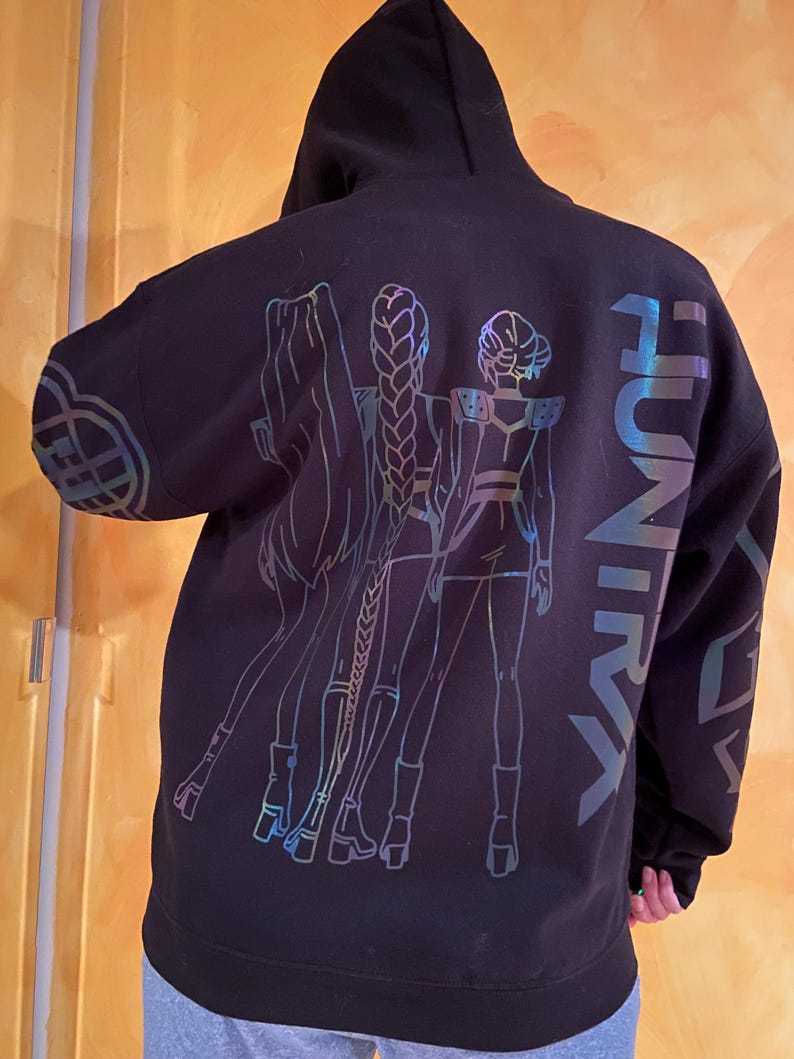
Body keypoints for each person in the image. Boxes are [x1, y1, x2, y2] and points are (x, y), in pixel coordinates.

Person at [30, 0, 782, 1056]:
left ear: (336, 148)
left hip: (251, 928)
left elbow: (77, 435)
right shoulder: (671, 299)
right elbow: (717, 587)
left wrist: (270, 288)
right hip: (528, 948)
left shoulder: (300, 270)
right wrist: (675, 827)